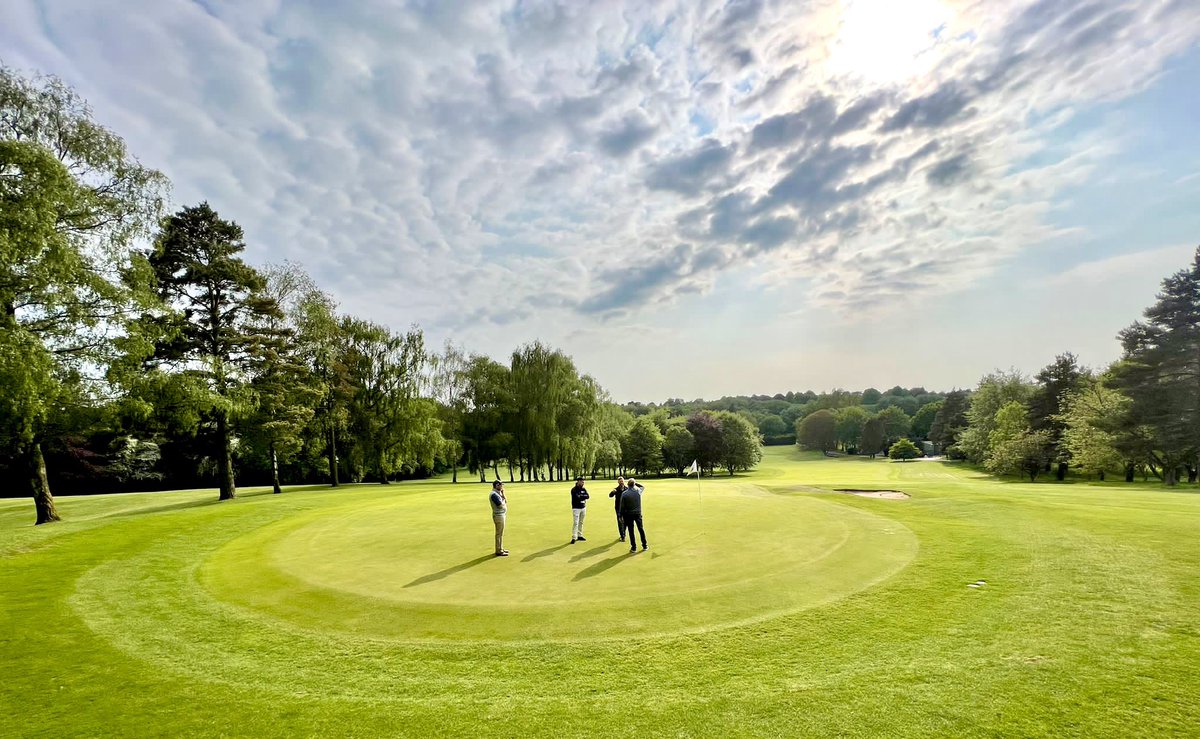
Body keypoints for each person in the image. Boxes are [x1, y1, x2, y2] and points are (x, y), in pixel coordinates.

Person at [620, 477, 648, 553]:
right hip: (638, 513)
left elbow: (622, 506)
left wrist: (620, 516)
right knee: (641, 529)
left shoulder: (624, 493)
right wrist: (636, 483)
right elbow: (642, 487)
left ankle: (634, 547)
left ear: (627, 485)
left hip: (628, 514)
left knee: (631, 531)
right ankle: (645, 545)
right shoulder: (638, 491)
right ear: (634, 484)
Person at [489, 480, 509, 556]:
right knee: (499, 534)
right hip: (498, 516)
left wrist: (503, 494)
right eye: (501, 485)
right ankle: (498, 550)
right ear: (497, 485)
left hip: (501, 515)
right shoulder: (494, 495)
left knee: (500, 533)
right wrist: (503, 502)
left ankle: (500, 548)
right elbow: (500, 506)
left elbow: (505, 501)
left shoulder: (498, 494)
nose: (502, 487)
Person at [569, 476, 589, 543]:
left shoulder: (584, 489)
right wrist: (583, 497)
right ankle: (574, 537)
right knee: (576, 523)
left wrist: (581, 496)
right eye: (582, 482)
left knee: (581, 522)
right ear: (578, 481)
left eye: (583, 482)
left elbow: (588, 496)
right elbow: (577, 497)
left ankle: (580, 535)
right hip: (576, 508)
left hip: (583, 507)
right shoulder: (574, 490)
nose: (583, 483)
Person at [608, 476, 627, 541]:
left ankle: (623, 533)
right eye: (620, 481)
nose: (621, 482)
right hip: (618, 508)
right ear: (618, 482)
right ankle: (622, 536)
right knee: (620, 522)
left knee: (625, 522)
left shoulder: (627, 489)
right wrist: (612, 492)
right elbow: (610, 496)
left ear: (624, 481)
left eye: (622, 481)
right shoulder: (616, 489)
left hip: (626, 508)